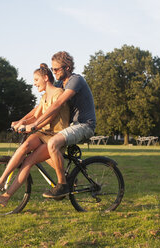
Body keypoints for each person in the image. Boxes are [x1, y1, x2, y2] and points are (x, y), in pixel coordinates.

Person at [0, 63, 69, 206]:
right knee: (24, 146)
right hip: (43, 133)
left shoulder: (59, 93)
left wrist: (30, 127)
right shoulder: (44, 97)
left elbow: (51, 116)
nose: (34, 83)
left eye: (36, 80)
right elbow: (35, 117)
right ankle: (1, 182)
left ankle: (6, 196)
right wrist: (20, 123)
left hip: (56, 136)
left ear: (45, 78)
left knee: (28, 161)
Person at [28, 51, 96, 199]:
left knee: (52, 143)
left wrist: (36, 124)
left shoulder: (75, 80)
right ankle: (65, 176)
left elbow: (58, 104)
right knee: (40, 147)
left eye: (57, 69)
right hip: (72, 125)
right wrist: (23, 121)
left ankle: (62, 186)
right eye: (52, 69)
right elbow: (42, 105)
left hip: (84, 125)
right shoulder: (59, 84)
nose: (54, 72)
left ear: (67, 68)